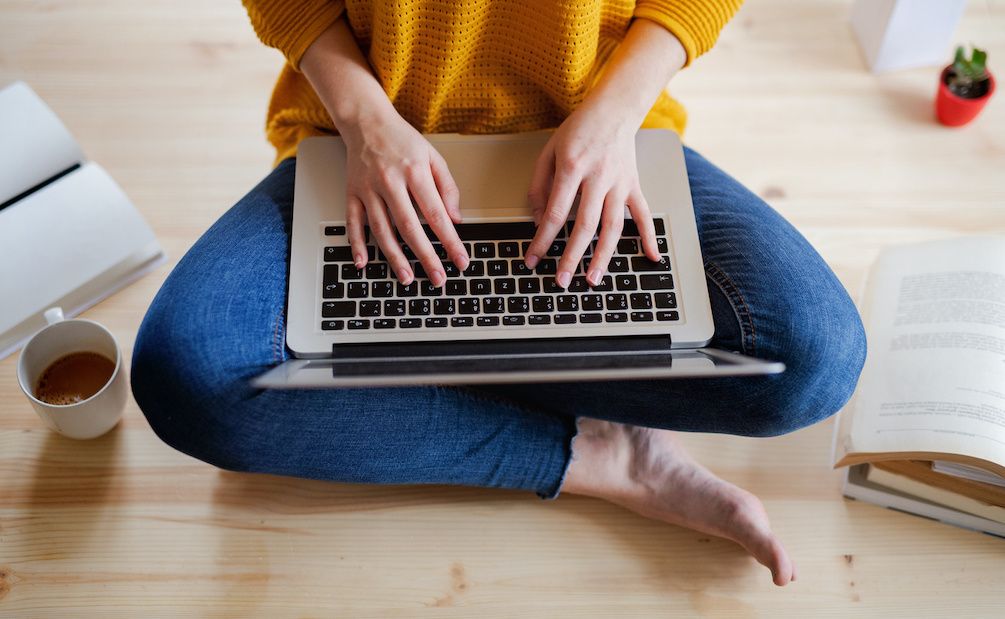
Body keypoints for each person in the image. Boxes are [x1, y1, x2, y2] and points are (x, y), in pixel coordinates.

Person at [131, 0, 866, 587]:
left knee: (815, 361)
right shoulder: (364, 128)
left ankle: (453, 368)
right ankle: (590, 452)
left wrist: (613, 118)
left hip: (595, 134)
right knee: (186, 375)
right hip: (368, 137)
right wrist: (365, 122)